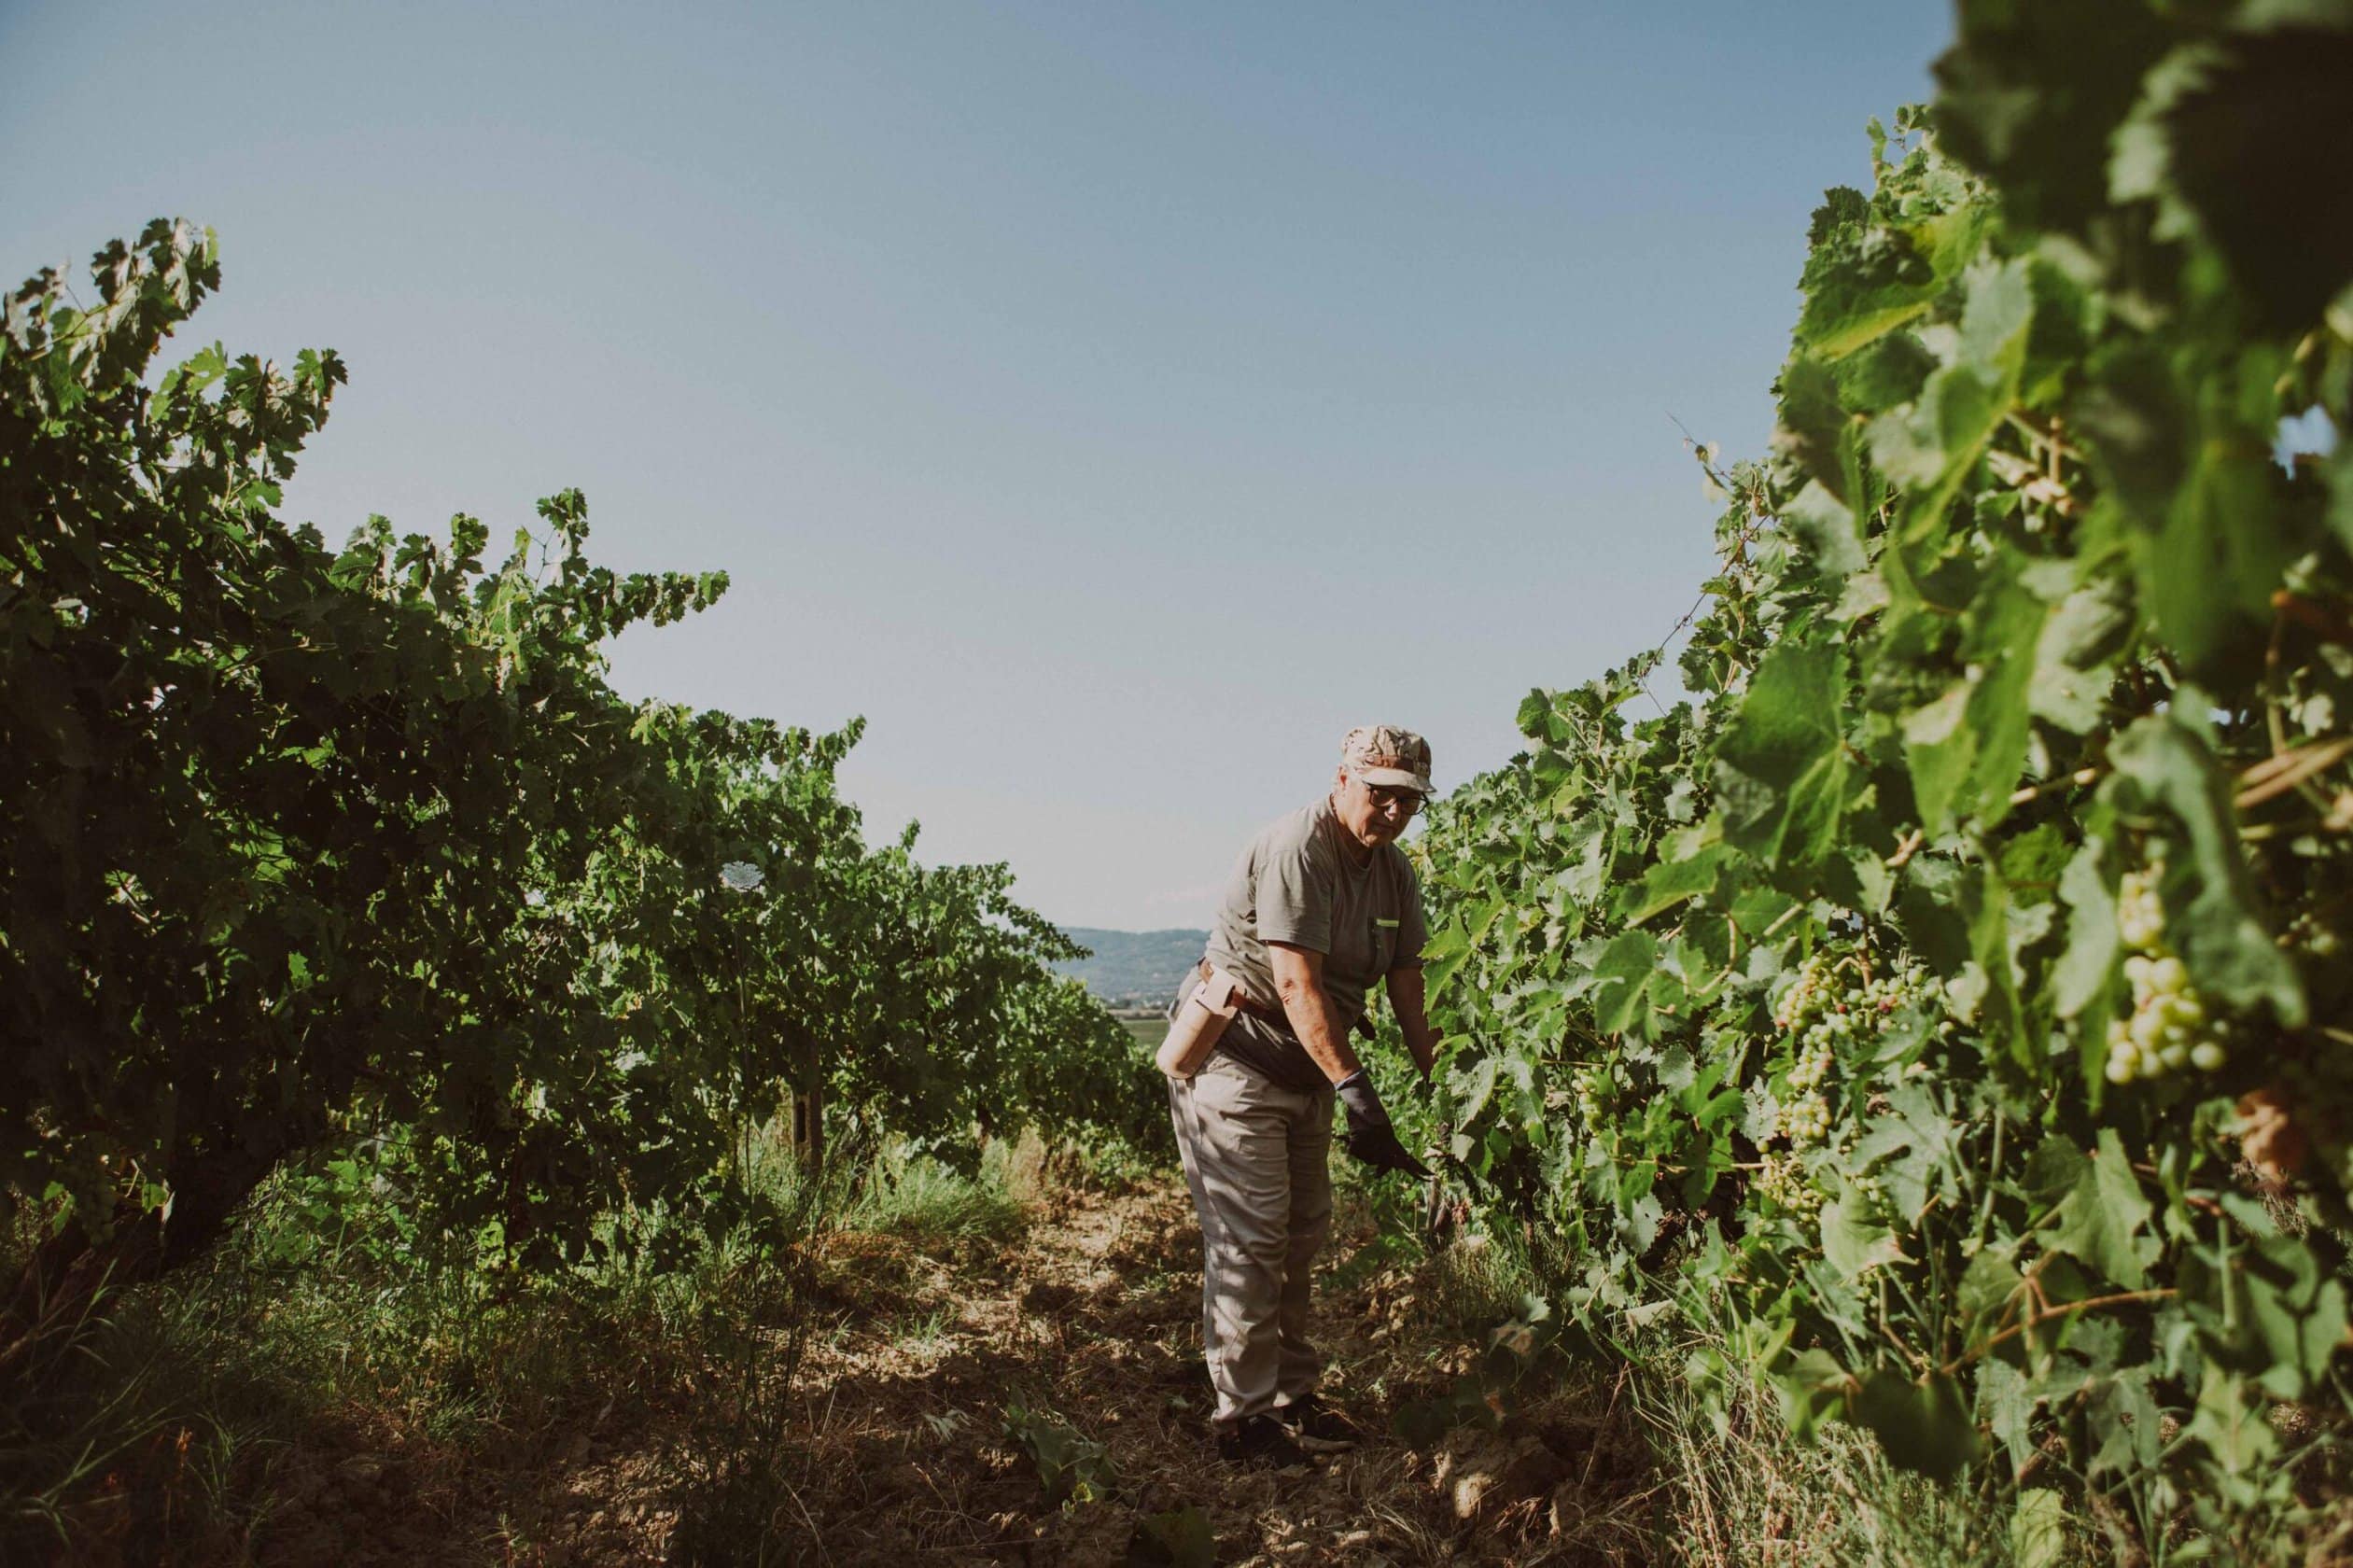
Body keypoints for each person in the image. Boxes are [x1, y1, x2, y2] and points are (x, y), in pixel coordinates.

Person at [1164, 724, 1443, 1468]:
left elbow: (1408, 987)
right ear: (1343, 779)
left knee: (1300, 1234)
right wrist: (1356, 1090)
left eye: (1407, 801)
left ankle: (1291, 1396)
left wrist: (1442, 1085)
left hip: (1304, 1071)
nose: (1391, 813)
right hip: (1238, 1058)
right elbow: (1295, 984)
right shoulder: (1297, 848)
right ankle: (1240, 1418)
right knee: (1251, 1238)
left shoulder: (1394, 873)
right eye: (1380, 794)